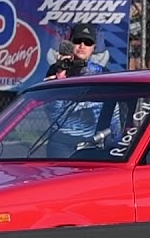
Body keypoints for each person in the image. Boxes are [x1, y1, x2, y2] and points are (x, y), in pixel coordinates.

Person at [45, 25, 110, 159]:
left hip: (93, 141)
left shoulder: (102, 73)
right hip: (61, 141)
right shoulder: (56, 69)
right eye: (77, 41)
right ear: (70, 43)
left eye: (88, 42)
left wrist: (115, 140)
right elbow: (51, 111)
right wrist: (59, 79)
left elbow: (112, 113)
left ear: (94, 47)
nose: (82, 46)